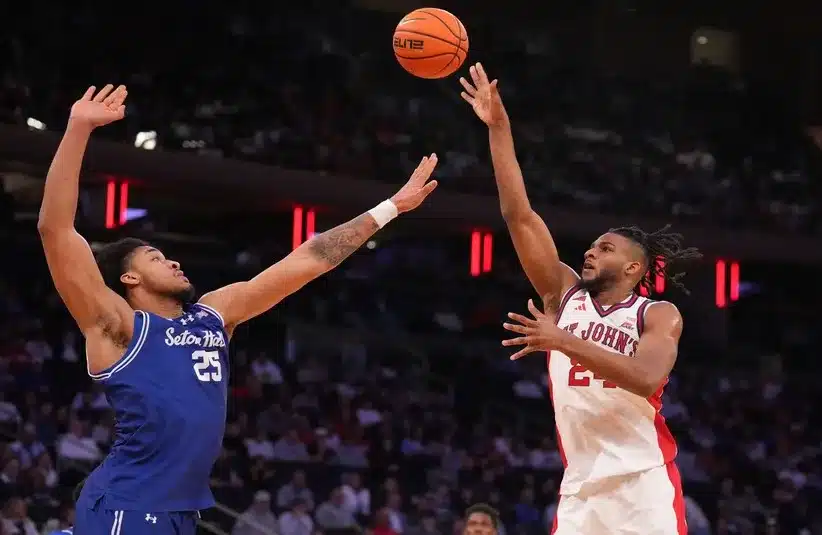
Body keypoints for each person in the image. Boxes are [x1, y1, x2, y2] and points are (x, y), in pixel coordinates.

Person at [37, 84, 439, 535]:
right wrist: (78, 129)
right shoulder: (118, 326)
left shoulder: (213, 314)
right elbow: (55, 230)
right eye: (154, 257)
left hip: (178, 511)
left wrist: (389, 208)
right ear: (129, 279)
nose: (173, 261)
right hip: (128, 504)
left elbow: (309, 259)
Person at [460, 63, 701, 535]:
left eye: (606, 248)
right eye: (591, 246)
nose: (591, 251)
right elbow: (518, 215)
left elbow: (645, 377)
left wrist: (562, 341)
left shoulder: (657, 313)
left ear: (634, 269)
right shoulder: (562, 294)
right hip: (580, 490)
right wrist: (499, 128)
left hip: (642, 484)